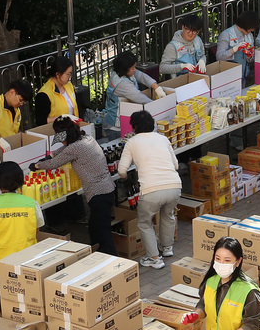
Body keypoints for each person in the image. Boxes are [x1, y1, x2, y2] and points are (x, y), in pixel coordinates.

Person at [31, 116, 115, 255]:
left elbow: (54, 164)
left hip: (98, 193)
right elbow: (63, 150)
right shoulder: (86, 138)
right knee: (95, 228)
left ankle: (112, 261)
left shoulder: (76, 147)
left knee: (103, 234)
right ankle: (98, 256)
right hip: (106, 189)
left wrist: (37, 165)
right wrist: (50, 156)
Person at [116, 111, 181, 270]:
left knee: (145, 223)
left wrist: (126, 178)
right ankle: (167, 248)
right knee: (168, 215)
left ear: (135, 126)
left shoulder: (132, 142)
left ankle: (154, 258)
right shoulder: (163, 138)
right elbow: (176, 165)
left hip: (151, 190)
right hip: (174, 186)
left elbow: (121, 170)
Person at [0, 161, 45, 290]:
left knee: (5, 300)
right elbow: (36, 229)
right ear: (21, 181)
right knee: (29, 299)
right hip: (27, 262)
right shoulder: (31, 203)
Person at [101, 54, 159, 137]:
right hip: (116, 127)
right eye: (133, 68)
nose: (135, 70)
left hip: (125, 120)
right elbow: (138, 97)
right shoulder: (121, 83)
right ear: (124, 69)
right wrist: (157, 104)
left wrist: (156, 87)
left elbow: (141, 76)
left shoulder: (125, 72)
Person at [34, 56, 85, 124]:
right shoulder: (44, 94)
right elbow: (41, 121)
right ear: (58, 74)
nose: (70, 77)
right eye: (68, 74)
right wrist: (61, 117)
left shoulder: (69, 86)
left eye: (70, 74)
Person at [216, 11, 260, 78]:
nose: (252, 30)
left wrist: (249, 56)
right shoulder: (226, 35)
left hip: (244, 73)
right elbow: (219, 57)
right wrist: (233, 50)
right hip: (229, 75)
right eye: (251, 28)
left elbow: (251, 57)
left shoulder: (249, 35)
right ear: (246, 25)